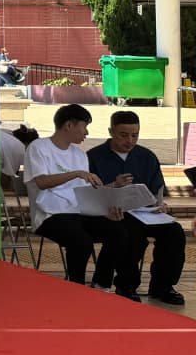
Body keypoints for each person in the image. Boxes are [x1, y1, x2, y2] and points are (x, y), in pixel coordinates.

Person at [25, 104, 133, 287]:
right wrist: (76, 173)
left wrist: (111, 192)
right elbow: (42, 182)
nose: (86, 132)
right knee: (81, 241)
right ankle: (76, 288)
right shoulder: (39, 147)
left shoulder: (79, 155)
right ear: (69, 125)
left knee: (119, 233)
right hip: (49, 215)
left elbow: (85, 193)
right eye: (84, 126)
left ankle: (101, 284)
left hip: (78, 213)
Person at [86, 111, 186, 304]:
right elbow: (89, 194)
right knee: (132, 235)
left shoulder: (147, 156)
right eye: (123, 135)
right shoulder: (94, 157)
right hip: (114, 215)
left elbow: (157, 190)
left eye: (135, 135)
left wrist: (160, 205)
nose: (130, 141)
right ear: (111, 132)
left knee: (174, 232)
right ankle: (126, 285)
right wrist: (113, 186)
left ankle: (163, 286)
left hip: (146, 212)